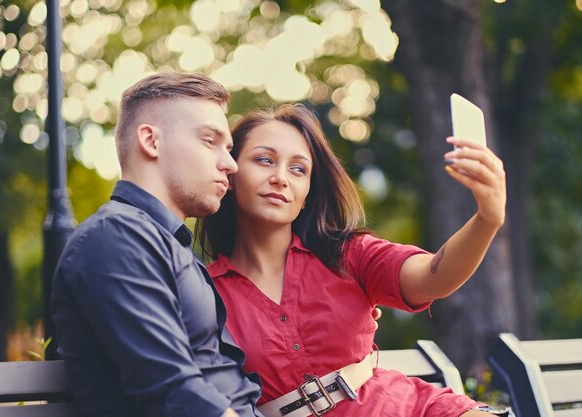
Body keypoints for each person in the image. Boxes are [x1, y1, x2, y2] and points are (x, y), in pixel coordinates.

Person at [197, 103, 512, 417]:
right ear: (231, 173)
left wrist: (487, 218)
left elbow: (434, 276)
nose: (281, 178)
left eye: (298, 169)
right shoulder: (201, 291)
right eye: (264, 160)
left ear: (308, 193)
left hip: (407, 408)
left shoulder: (347, 253)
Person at [51, 73, 264, 417]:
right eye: (210, 141)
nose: (231, 164)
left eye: (228, 149)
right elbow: (173, 393)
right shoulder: (114, 237)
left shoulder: (162, 242)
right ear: (151, 141)